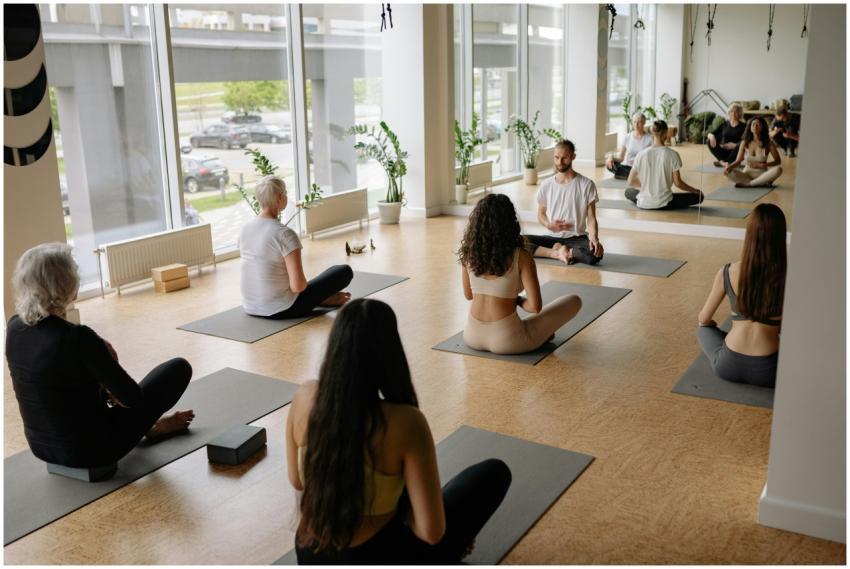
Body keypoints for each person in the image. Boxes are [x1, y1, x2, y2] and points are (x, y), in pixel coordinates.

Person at [288, 299, 511, 564]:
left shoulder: (303, 396)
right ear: (390, 352)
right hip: (380, 557)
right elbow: (430, 532)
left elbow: (298, 480)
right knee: (493, 473)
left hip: (309, 553)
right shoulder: (405, 422)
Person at [5, 243, 195, 468]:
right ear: (67, 284)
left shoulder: (14, 327)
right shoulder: (78, 337)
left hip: (41, 447)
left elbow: (58, 387)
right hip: (93, 451)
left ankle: (149, 428)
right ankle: (149, 428)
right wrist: (108, 362)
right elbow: (131, 399)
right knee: (178, 368)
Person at [460, 194, 583, 355]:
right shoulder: (521, 256)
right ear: (510, 223)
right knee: (574, 301)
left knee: (530, 325)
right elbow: (534, 307)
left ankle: (537, 334)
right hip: (508, 341)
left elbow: (469, 295)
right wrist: (515, 299)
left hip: (471, 337)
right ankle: (538, 336)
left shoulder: (468, 253)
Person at [696, 203, 786, 388]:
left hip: (727, 366)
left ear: (750, 234)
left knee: (703, 330)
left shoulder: (727, 271)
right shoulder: (789, 278)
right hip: (770, 373)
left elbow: (704, 319)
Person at [240, 176, 353, 319]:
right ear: (280, 197)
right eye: (285, 193)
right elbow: (298, 287)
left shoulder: (245, 228)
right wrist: (322, 294)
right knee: (343, 271)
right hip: (284, 309)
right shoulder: (284, 234)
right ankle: (323, 299)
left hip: (250, 307)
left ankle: (323, 299)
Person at [524, 139, 604, 266]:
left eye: (564, 158)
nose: (559, 162)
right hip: (551, 237)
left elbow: (591, 218)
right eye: (556, 157)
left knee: (595, 253)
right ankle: (558, 252)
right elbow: (541, 214)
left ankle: (562, 250)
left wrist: (594, 238)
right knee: (517, 241)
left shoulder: (586, 184)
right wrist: (549, 225)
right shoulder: (546, 184)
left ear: (573, 157)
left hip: (576, 238)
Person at [625, 120, 705, 210]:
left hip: (644, 202)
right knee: (699, 197)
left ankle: (646, 199)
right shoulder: (673, 154)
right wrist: (694, 190)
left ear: (652, 133)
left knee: (628, 192)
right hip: (665, 202)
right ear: (666, 134)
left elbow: (630, 181)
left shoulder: (641, 154)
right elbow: (678, 183)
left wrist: (647, 187)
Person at [723, 117, 783, 188]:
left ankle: (750, 184)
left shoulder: (768, 143)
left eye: (758, 124)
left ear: (763, 127)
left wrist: (763, 165)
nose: (755, 126)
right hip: (746, 175)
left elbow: (778, 161)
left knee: (778, 169)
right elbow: (738, 161)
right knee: (729, 173)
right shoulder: (744, 142)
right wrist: (729, 167)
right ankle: (759, 183)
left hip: (762, 175)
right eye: (753, 124)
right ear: (750, 128)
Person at [606, 112, 653, 180]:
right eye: (634, 122)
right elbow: (621, 158)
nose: (636, 125)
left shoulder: (650, 138)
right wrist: (611, 158)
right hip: (628, 167)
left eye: (639, 122)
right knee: (610, 164)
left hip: (642, 168)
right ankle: (631, 176)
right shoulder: (627, 137)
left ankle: (625, 175)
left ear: (644, 123)